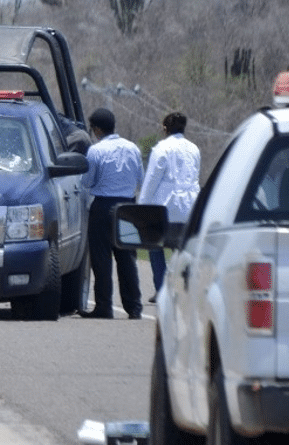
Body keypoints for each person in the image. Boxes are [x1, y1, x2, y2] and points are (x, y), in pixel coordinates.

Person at [80, 108, 144, 319]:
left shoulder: (96, 151)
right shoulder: (132, 148)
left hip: (102, 206)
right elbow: (140, 178)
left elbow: (87, 182)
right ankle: (134, 307)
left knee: (101, 259)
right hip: (128, 208)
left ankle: (104, 306)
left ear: (97, 129)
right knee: (127, 258)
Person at [137, 112, 200, 301]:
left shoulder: (161, 149)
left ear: (165, 128)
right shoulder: (194, 149)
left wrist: (142, 208)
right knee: (183, 251)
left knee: (155, 248)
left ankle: (162, 289)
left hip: (165, 209)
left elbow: (151, 181)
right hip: (189, 208)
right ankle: (185, 289)